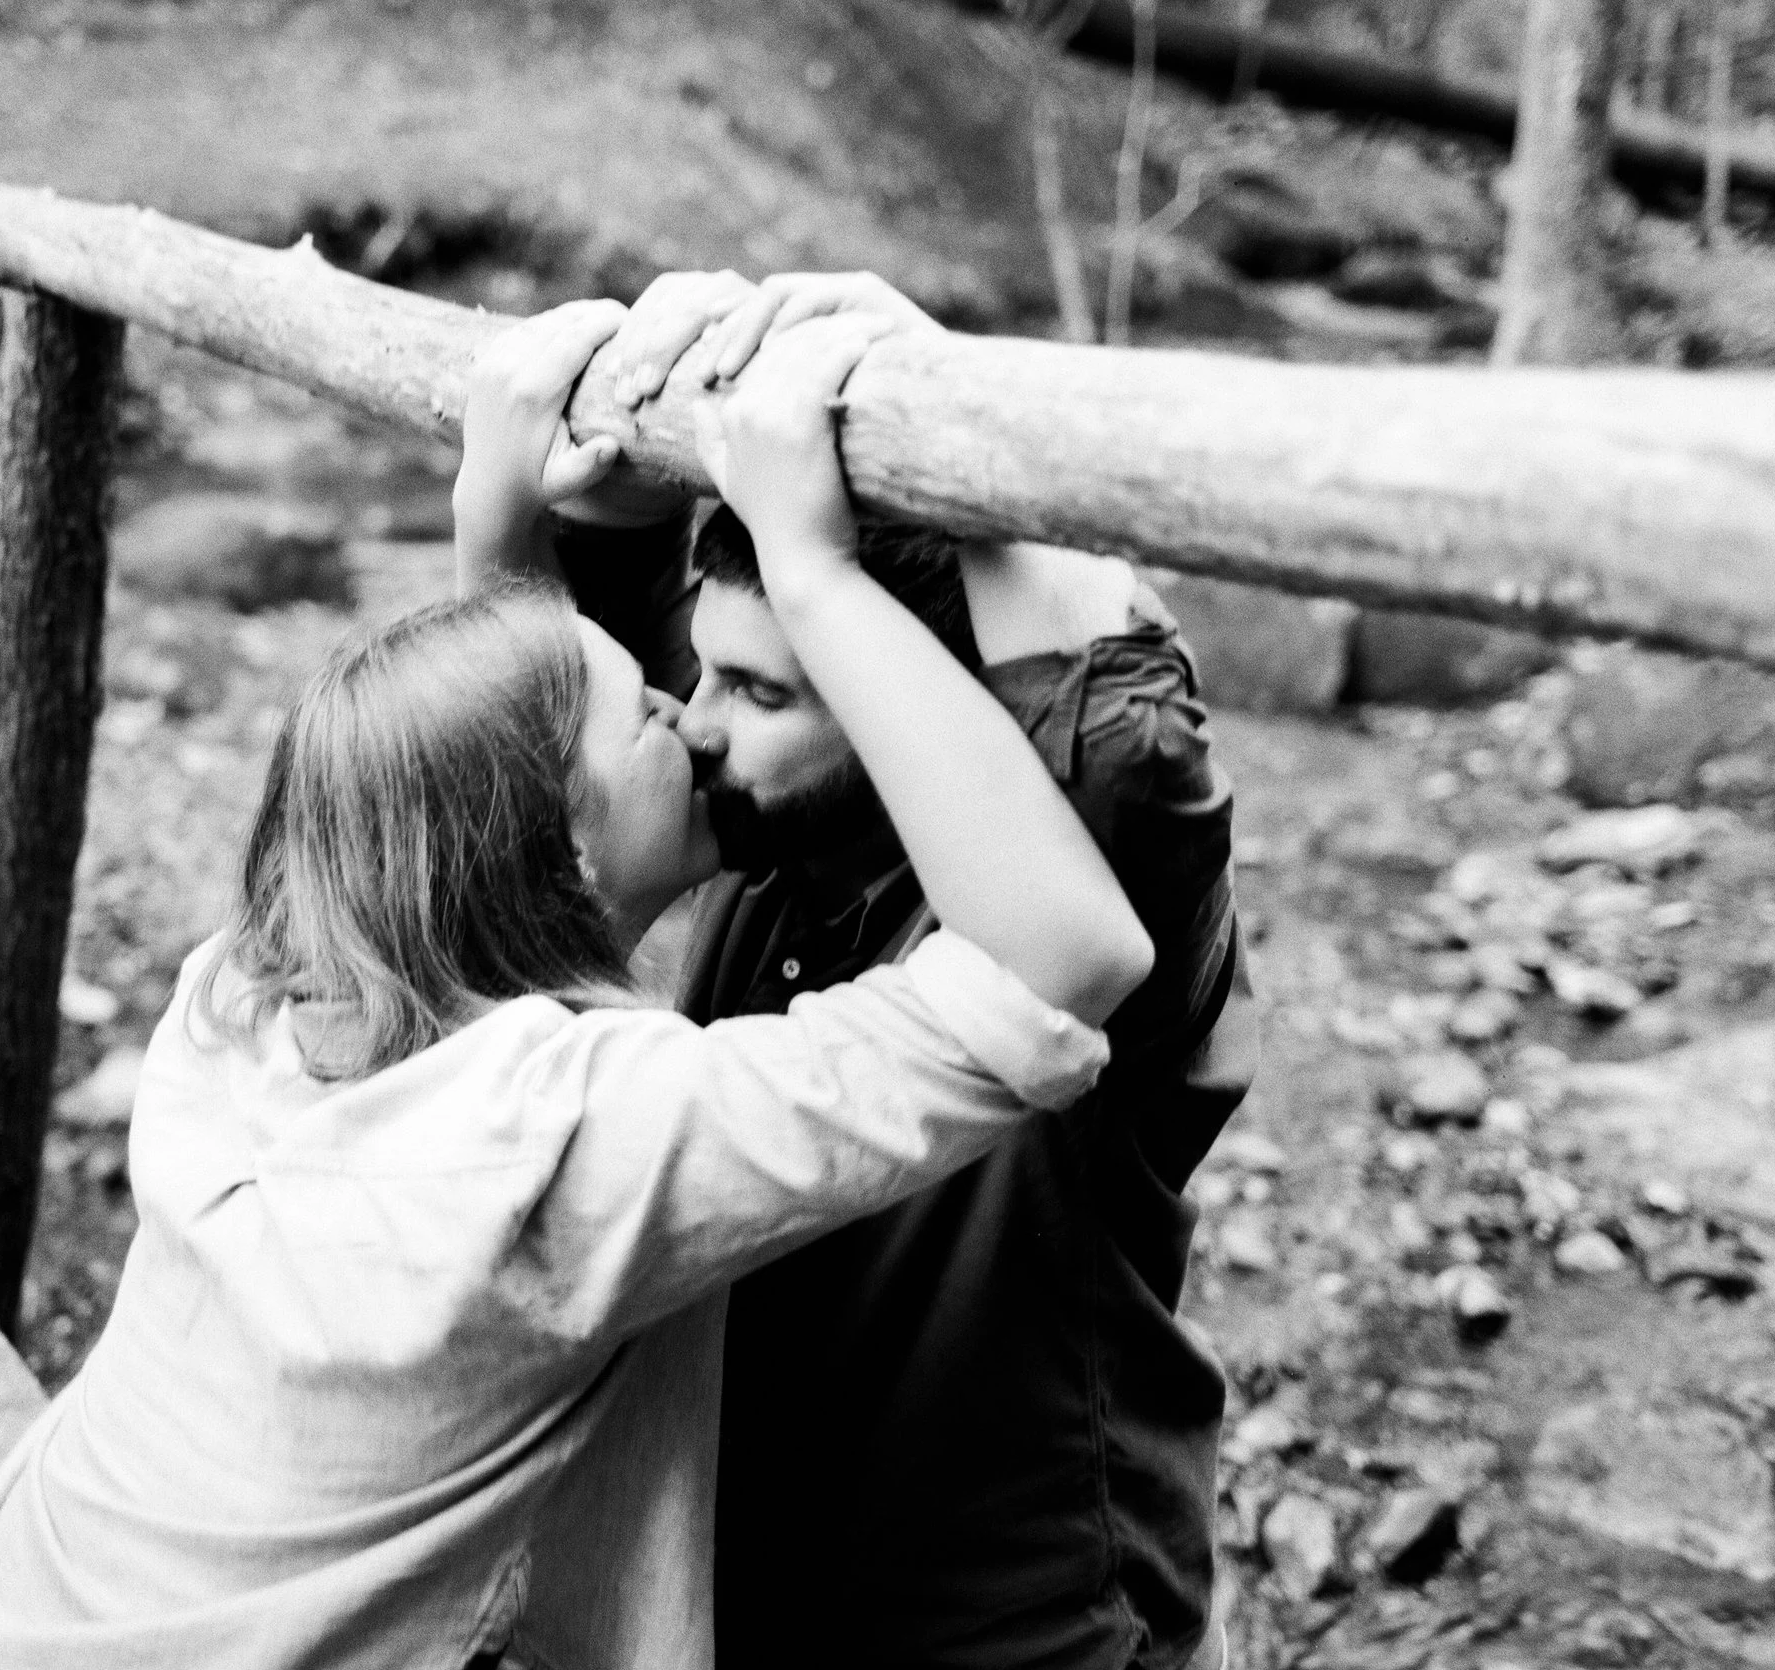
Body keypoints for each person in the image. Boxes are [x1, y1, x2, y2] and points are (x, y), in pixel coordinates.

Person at [0, 300, 1159, 1670]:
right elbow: (1067, 961)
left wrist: (491, 511)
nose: (693, 716)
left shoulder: (253, 994)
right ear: (552, 840)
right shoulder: (576, 1134)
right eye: (651, 709)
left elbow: (459, 776)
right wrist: (812, 575)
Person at [480, 270, 1255, 1670]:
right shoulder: (779, 836)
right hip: (771, 1594)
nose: (697, 726)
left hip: (1026, 1631)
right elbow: (574, 765)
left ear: (918, 712)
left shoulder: (1060, 893)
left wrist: (931, 371)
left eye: (764, 691)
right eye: (707, 677)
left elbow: (1132, 734)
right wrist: (564, 489)